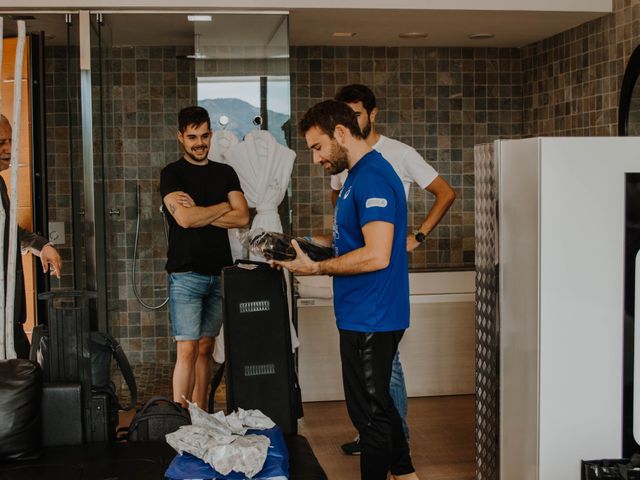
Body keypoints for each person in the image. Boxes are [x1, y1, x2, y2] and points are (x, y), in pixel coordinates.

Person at [272, 100, 419, 480]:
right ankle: (406, 474)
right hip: (362, 313)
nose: (316, 158)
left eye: (317, 147)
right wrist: (297, 244)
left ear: (340, 133)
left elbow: (377, 254)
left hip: (372, 316)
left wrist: (316, 267)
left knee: (368, 416)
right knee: (380, 405)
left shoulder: (372, 177)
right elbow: (351, 241)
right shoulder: (356, 175)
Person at [331, 84, 456, 454]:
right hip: (357, 279)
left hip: (383, 276)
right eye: (344, 115)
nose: (350, 121)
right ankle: (376, 435)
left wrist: (418, 235)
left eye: (356, 113)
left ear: (373, 114)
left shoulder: (398, 155)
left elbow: (445, 192)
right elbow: (342, 212)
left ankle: (394, 440)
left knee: (389, 366)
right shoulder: (345, 161)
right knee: (375, 372)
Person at [160, 106, 249, 409]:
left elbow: (243, 217)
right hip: (185, 275)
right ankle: (179, 417)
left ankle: (202, 414)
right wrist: (223, 205)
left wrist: (202, 212)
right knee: (186, 349)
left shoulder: (225, 172)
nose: (200, 142)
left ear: (211, 134)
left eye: (205, 135)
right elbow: (184, 219)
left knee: (205, 348)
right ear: (181, 138)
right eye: (192, 136)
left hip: (218, 273)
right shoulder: (172, 173)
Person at [0, 114, 62, 359]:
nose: (8, 149)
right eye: (0, 143)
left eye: (10, 141)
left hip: (9, 311)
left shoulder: (0, 184)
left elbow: (9, 231)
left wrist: (41, 246)